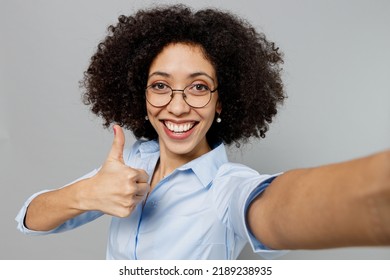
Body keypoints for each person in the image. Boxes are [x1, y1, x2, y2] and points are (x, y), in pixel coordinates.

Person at [16, 4, 390, 260]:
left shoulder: (227, 187)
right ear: (140, 95)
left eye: (198, 87)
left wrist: (373, 193)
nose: (177, 107)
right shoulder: (133, 160)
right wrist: (85, 193)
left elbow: (277, 210)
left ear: (221, 101)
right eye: (161, 86)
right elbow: (29, 220)